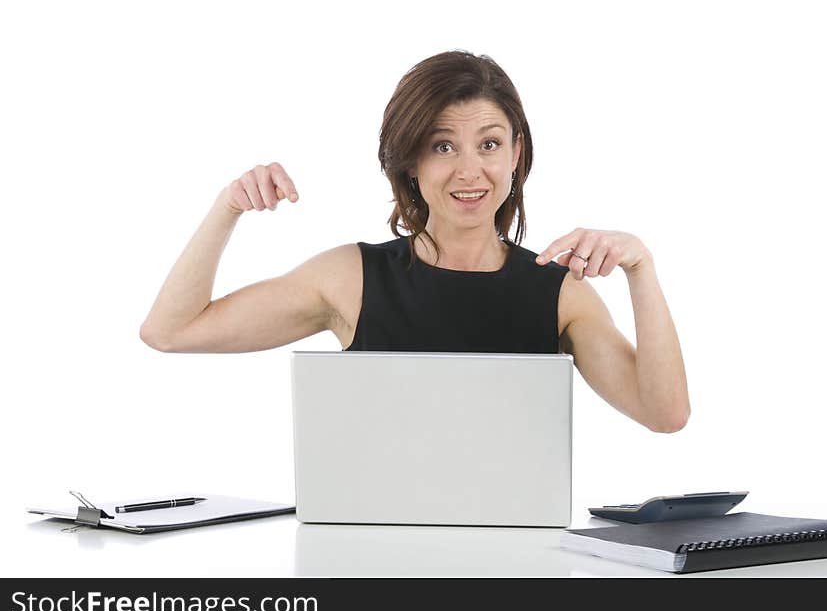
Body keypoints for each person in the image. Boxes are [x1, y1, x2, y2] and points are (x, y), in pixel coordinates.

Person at [140, 50, 690, 434]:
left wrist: (641, 268)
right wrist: (227, 208)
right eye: (443, 146)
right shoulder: (349, 279)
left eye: (489, 144)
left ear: (516, 153)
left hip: (519, 565)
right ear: (410, 160)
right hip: (367, 561)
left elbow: (664, 414)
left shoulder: (560, 293)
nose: (470, 171)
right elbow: (171, 331)